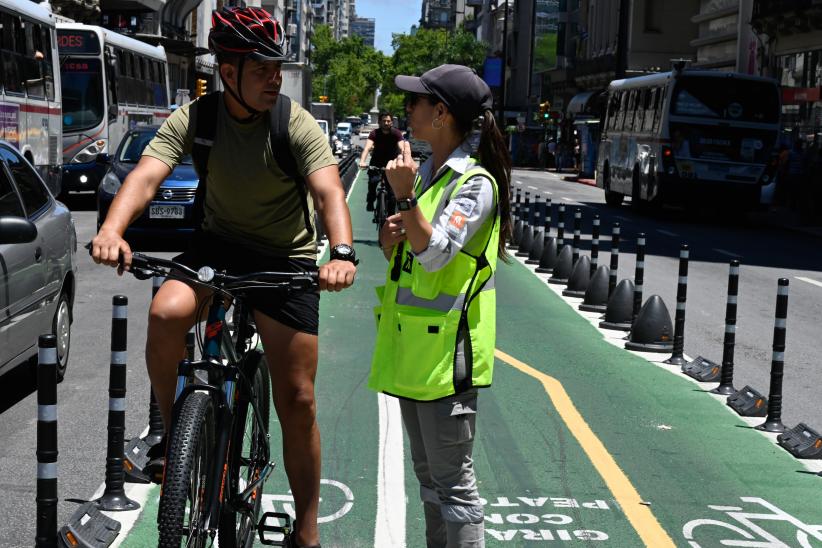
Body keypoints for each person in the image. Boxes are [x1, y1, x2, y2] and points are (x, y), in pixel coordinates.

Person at [90, 7, 357, 547]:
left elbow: (329, 191)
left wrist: (343, 253)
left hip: (285, 257)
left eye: (277, 68)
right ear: (227, 72)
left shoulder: (293, 122)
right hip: (217, 246)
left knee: (299, 400)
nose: (273, 78)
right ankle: (177, 435)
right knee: (165, 313)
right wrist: (114, 228)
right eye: (261, 69)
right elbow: (146, 174)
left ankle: (306, 532)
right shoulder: (198, 117)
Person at [368, 64, 512, 547]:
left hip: (448, 361)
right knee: (430, 482)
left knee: (454, 488)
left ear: (443, 113)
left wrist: (406, 199)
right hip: (415, 357)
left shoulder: (476, 184)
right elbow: (411, 259)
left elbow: (436, 254)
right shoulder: (431, 175)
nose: (408, 111)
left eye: (416, 103)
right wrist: (392, 240)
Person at [358, 110, 404, 211]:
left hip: (391, 164)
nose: (386, 123)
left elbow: (402, 147)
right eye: (384, 121)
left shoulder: (396, 133)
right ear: (379, 122)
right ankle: (370, 202)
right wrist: (362, 161)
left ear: (392, 122)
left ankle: (390, 215)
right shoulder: (374, 133)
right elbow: (367, 148)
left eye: (388, 121)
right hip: (376, 163)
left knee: (392, 193)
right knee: (373, 183)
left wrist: (402, 157)